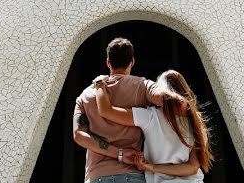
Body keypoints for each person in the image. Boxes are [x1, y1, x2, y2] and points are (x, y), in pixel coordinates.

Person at [73, 38, 188, 183]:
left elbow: (79, 135)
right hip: (131, 175)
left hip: (96, 176)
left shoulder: (86, 95)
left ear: (108, 62)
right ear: (132, 61)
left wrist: (118, 153)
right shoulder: (143, 86)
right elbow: (179, 105)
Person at [93, 69, 212, 183]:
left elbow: (106, 111)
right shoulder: (197, 123)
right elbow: (192, 168)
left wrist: (99, 84)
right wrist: (152, 167)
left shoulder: (151, 117)